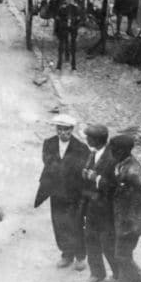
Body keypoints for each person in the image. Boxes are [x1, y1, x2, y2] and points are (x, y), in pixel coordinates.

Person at [34, 114, 90, 270]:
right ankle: (66, 254)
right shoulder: (49, 143)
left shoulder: (81, 148)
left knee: (76, 224)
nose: (62, 133)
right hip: (56, 192)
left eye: (65, 130)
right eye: (59, 129)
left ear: (71, 130)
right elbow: (47, 161)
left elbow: (82, 170)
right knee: (59, 223)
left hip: (74, 194)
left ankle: (80, 256)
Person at [108, 134, 141, 282]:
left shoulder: (132, 173)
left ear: (122, 151)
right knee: (124, 256)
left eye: (113, 150)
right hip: (124, 221)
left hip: (130, 224)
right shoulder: (124, 164)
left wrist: (130, 226)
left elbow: (139, 202)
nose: (111, 152)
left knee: (122, 257)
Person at [82, 123, 120, 282]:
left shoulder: (112, 158)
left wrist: (95, 178)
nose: (87, 140)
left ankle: (118, 274)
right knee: (90, 239)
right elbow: (90, 171)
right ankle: (97, 273)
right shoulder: (93, 153)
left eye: (89, 138)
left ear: (97, 140)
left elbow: (115, 186)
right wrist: (85, 173)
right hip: (92, 206)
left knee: (107, 243)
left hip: (106, 209)